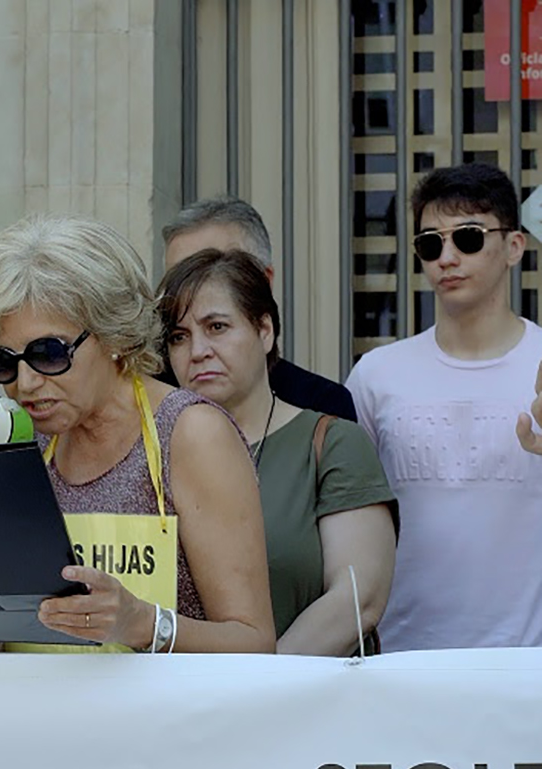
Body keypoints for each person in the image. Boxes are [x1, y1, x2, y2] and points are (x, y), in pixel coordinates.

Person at [0, 214, 275, 655]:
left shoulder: (191, 433)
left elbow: (255, 643)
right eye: (3, 361)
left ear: (115, 336)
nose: (25, 384)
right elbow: (17, 621)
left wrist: (143, 624)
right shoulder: (21, 439)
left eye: (48, 353)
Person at [158, 248, 397, 655]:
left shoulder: (331, 443)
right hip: (175, 692)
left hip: (305, 689)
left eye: (217, 327)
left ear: (265, 330)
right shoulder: (151, 452)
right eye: (178, 337)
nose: (198, 350)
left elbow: (357, 601)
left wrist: (261, 682)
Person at [346, 162, 542, 650]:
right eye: (430, 244)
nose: (447, 257)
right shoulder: (377, 374)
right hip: (403, 656)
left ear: (514, 246)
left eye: (468, 238)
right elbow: (344, 515)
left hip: (525, 662)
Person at [161, 196, 358, 421]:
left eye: (215, 268)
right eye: (179, 278)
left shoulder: (322, 409)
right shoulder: (144, 406)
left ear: (263, 282)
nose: (198, 351)